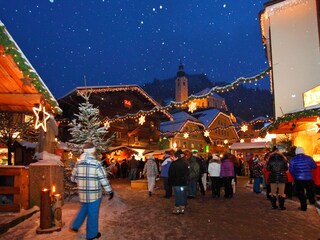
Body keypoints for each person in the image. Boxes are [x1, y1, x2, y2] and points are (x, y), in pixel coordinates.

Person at [70, 142, 113, 240]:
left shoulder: (78, 163)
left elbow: (73, 179)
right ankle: (92, 235)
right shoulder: (96, 164)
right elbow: (103, 179)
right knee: (93, 214)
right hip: (94, 194)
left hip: (83, 194)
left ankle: (75, 225)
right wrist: (109, 191)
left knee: (84, 208)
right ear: (92, 152)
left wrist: (81, 182)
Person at [289, 146, 317, 211]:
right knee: (310, 190)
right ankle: (312, 201)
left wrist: (295, 176)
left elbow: (291, 170)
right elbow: (314, 166)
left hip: (298, 179)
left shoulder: (293, 159)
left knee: (301, 193)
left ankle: (304, 207)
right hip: (308, 177)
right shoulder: (309, 158)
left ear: (296, 152)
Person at [168, 149, 189, 214]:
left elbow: (171, 174)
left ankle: (177, 208)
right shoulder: (185, 163)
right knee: (182, 194)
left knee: (177, 195)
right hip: (183, 183)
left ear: (176, 157)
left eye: (173, 157)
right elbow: (187, 173)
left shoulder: (173, 164)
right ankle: (182, 208)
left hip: (176, 183)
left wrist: (170, 181)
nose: (172, 158)